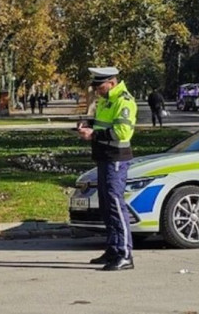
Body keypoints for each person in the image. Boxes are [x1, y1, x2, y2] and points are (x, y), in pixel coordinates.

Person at [76, 67, 137, 271]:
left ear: (111, 82)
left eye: (99, 86)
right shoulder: (106, 99)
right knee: (106, 205)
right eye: (94, 86)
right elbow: (104, 125)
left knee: (115, 204)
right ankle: (112, 249)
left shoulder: (124, 100)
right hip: (104, 156)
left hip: (116, 158)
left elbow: (122, 132)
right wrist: (89, 124)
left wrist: (92, 134)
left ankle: (125, 253)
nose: (96, 90)